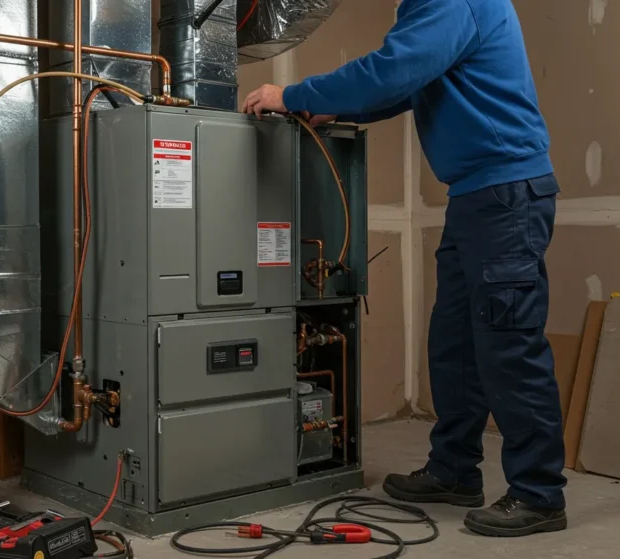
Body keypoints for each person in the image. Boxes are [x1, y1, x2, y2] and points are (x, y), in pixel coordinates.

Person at [242, 0, 566, 538]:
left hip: (506, 195)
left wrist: (294, 94)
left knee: (508, 343)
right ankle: (454, 471)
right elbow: (408, 85)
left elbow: (393, 70)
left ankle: (539, 493)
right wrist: (332, 109)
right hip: (475, 196)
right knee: (456, 345)